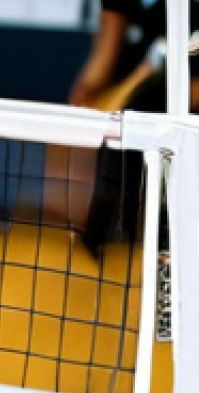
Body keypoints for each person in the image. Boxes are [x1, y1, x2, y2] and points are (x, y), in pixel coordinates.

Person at [67, 0, 199, 255]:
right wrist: (89, 94)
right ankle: (106, 235)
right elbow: (109, 37)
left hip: (174, 113)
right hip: (134, 114)